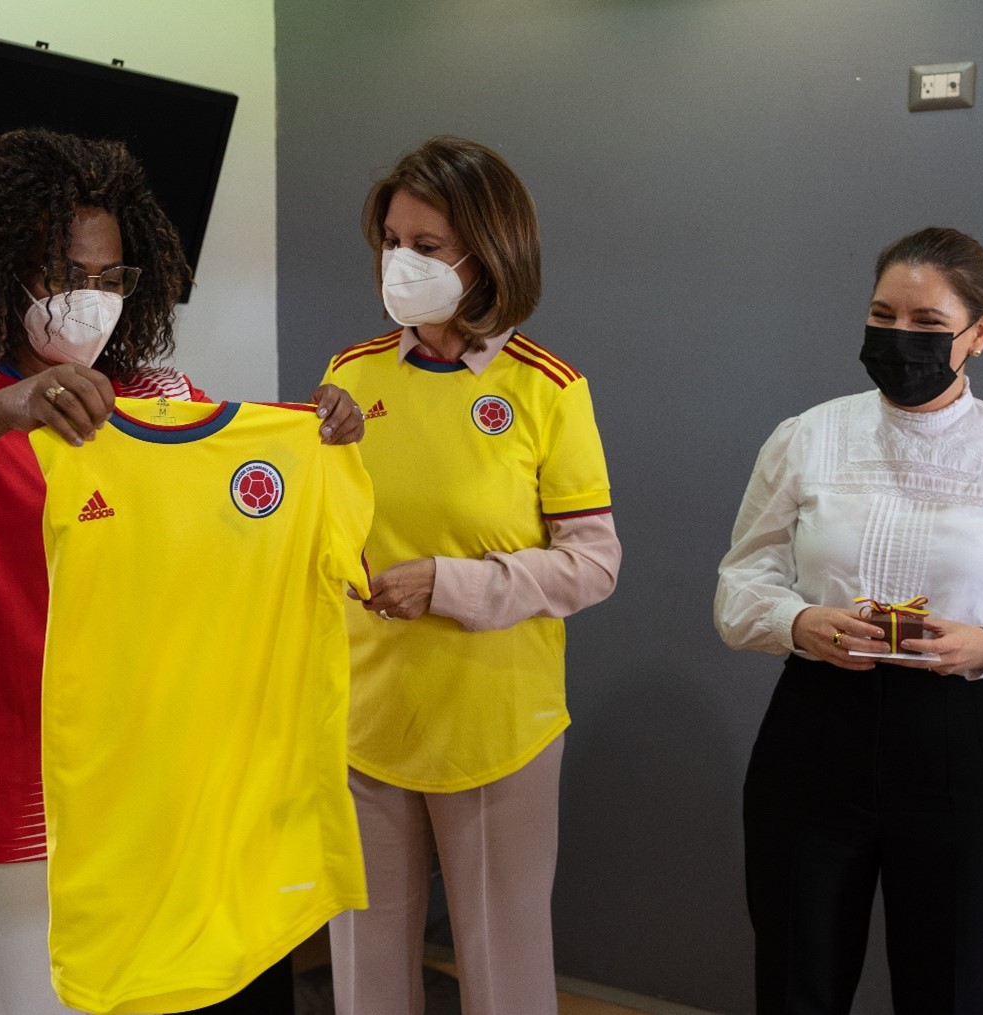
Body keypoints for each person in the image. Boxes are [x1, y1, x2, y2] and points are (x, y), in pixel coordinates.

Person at [0, 128, 364, 1015]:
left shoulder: (155, 399)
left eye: (111, 280)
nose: (91, 299)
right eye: (66, 274)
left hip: (139, 783)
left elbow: (227, 526)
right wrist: (1, 412)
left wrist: (318, 433)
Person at [714, 226, 983, 1015]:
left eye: (928, 324)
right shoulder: (806, 437)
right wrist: (797, 622)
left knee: (952, 990)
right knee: (795, 983)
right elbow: (739, 586)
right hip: (815, 734)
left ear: (979, 333)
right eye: (883, 316)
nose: (901, 338)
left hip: (960, 746)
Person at [321, 136, 621, 1015]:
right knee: (366, 967)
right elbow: (326, 529)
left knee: (504, 970)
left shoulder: (547, 389)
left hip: (497, 724)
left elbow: (594, 561)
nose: (398, 262)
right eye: (390, 240)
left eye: (424, 246)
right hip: (368, 715)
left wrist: (451, 585)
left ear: (487, 254)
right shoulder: (351, 374)